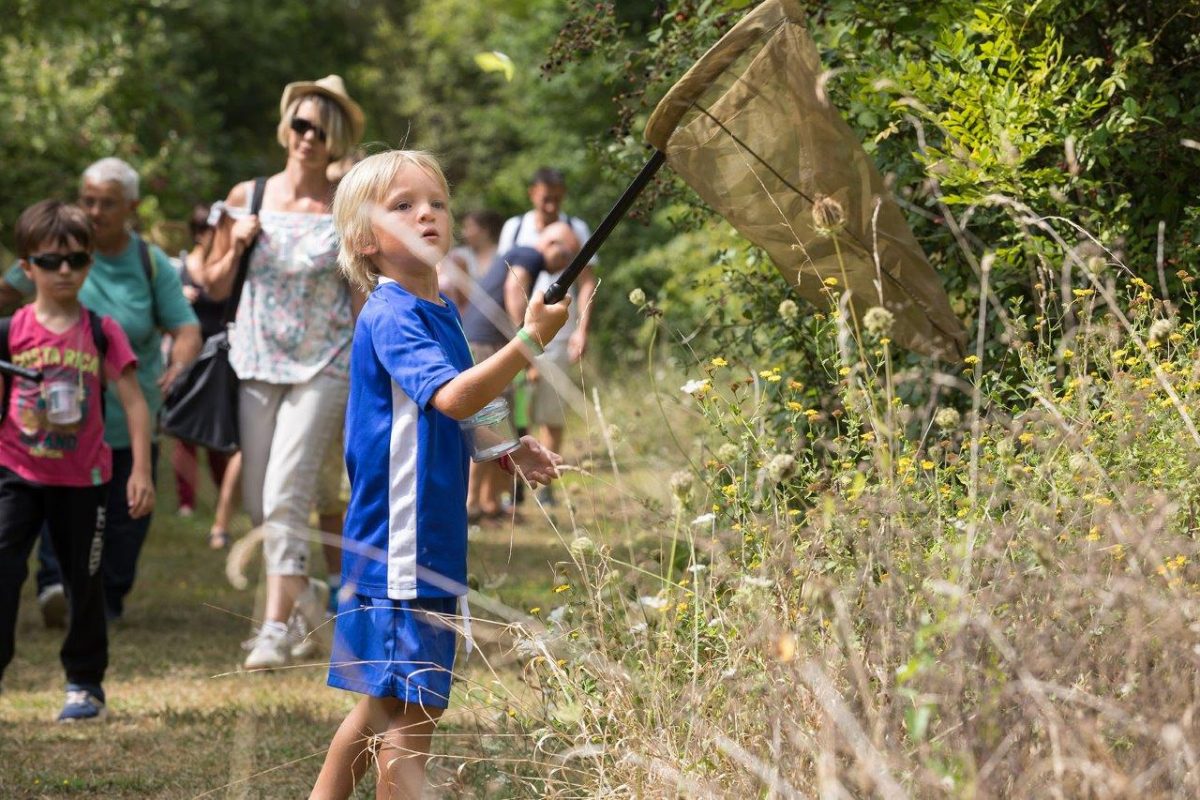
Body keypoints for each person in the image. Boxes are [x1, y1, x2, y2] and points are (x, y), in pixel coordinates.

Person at [311, 148, 567, 800]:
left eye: (436, 202)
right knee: (411, 712)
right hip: (401, 546)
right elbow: (450, 396)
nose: (426, 212)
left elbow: (467, 409)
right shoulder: (393, 312)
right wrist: (529, 342)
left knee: (382, 707)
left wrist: (508, 450)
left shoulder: (440, 310)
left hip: (425, 541)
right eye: (402, 205)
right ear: (366, 241)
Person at [201, 75, 365, 671]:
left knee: (287, 489)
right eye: (300, 124)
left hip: (325, 363)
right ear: (285, 127)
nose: (308, 137)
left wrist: (371, 365)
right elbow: (212, 284)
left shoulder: (346, 201)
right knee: (259, 501)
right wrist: (236, 243)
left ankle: (271, 630)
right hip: (256, 360)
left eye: (321, 130)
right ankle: (306, 601)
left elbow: (360, 294)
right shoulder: (248, 194)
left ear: (336, 138)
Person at [1, 158, 201, 623]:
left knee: (125, 524)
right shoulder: (54, 249)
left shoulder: (149, 263)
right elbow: (9, 293)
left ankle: (104, 600)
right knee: (56, 505)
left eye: (106, 203)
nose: (93, 211)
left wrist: (179, 365)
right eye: (87, 200)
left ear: (130, 207)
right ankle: (56, 587)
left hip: (127, 420)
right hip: (52, 429)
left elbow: (185, 328)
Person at [0, 200, 154, 721]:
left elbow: (134, 401)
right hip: (17, 474)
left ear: (89, 264)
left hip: (84, 480)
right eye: (49, 261)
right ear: (26, 268)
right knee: (3, 573)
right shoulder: (10, 331)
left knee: (83, 582)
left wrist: (141, 470)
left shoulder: (100, 329)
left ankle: (85, 685)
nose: (63, 271)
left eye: (75, 260)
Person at [460, 222, 580, 521]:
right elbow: (514, 286)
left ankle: (488, 503)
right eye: (566, 257)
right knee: (490, 422)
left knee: (501, 420)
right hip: (487, 343)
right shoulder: (528, 254)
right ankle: (471, 504)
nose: (563, 266)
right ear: (552, 243)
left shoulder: (525, 256)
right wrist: (524, 336)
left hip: (485, 342)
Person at [497, 167, 597, 505]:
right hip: (517, 332)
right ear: (532, 194)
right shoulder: (515, 229)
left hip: (558, 334)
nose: (551, 204)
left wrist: (581, 329)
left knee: (551, 411)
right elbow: (503, 277)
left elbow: (586, 283)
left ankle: (546, 485)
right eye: (545, 197)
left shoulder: (575, 228)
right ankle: (513, 486)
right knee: (517, 409)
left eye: (557, 197)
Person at [172, 203, 243, 549]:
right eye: (202, 229)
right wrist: (179, 298)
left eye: (211, 228)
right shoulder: (180, 268)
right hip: (188, 357)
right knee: (184, 433)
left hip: (220, 359)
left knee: (217, 432)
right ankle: (186, 501)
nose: (207, 235)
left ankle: (221, 502)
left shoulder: (228, 263)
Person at [440, 209, 503, 310]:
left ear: (485, 230)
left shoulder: (502, 254)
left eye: (469, 227)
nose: (464, 232)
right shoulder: (458, 255)